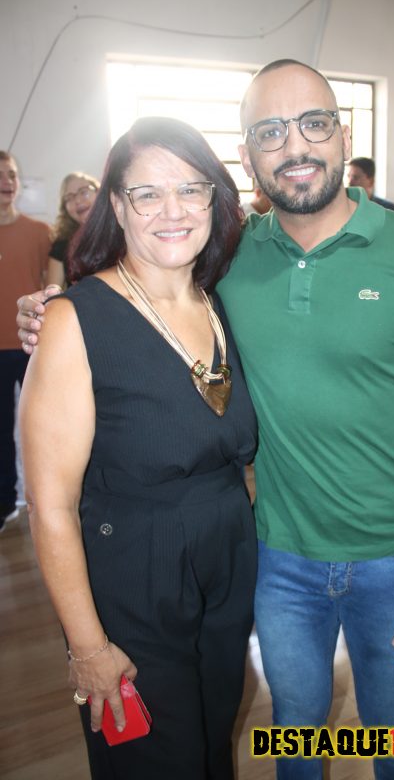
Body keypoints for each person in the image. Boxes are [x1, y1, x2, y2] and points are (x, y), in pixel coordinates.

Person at [18, 60, 394, 780]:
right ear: (246, 157)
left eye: (313, 123)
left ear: (343, 133)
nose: (294, 146)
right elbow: (132, 301)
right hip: (275, 559)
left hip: (393, 559)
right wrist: (51, 314)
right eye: (270, 131)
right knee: (292, 731)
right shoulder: (232, 261)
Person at [18, 117, 257, 780]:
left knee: (211, 744)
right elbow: (50, 505)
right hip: (133, 573)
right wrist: (88, 647)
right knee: (154, 763)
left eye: (190, 189)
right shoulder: (75, 319)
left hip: (227, 559)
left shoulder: (218, 301)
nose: (172, 210)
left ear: (214, 198)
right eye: (147, 194)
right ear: (117, 207)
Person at [0, 150, 51, 533]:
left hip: (32, 345)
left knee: (43, 428)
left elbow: (53, 287)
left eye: (12, 174)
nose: (6, 182)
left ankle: (49, 501)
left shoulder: (40, 232)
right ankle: (5, 502)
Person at [48, 172, 100, 288]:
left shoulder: (122, 232)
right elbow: (51, 292)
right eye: (69, 198)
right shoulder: (62, 243)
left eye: (83, 192)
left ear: (99, 193)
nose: (77, 201)